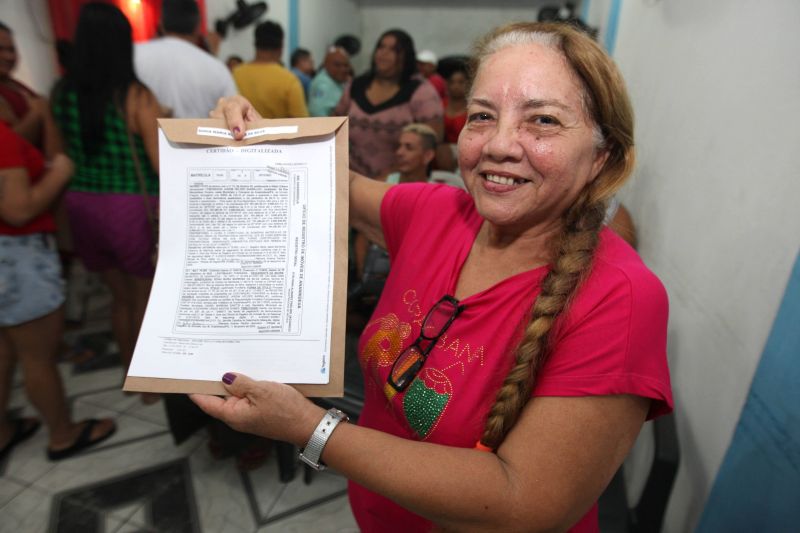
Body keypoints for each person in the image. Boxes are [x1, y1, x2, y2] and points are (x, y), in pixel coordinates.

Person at [198, 21, 672, 532]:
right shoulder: (437, 213)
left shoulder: (621, 298)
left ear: (601, 157)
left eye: (543, 121)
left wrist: (310, 428)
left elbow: (522, 502)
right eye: (482, 116)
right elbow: (330, 180)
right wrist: (248, 129)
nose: (500, 145)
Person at [51, 2, 161, 394]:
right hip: (126, 207)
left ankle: (130, 375)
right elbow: (157, 162)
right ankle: (148, 385)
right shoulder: (134, 95)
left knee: (118, 300)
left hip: (82, 204)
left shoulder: (62, 94)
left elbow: (58, 154)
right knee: (143, 300)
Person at [0, 120, 117, 462]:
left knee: (6, 350)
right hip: (17, 256)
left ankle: (2, 432)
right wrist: (61, 172)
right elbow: (18, 209)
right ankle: (62, 434)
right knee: (38, 356)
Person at [332, 29, 443, 178]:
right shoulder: (357, 85)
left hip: (398, 182)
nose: (383, 53)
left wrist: (390, 175)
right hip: (351, 178)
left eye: (393, 50)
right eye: (381, 47)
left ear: (406, 57)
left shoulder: (421, 92)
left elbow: (432, 141)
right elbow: (334, 126)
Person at [134, 0, 237, 119]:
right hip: (196, 137)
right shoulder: (217, 69)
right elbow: (232, 114)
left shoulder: (133, 55)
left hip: (143, 136)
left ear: (161, 24)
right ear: (198, 28)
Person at [0, 21, 56, 154]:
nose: (9, 56)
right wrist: (37, 113)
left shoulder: (16, 86)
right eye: (0, 50)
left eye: (11, 49)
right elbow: (5, 148)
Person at [233, 21, 308, 119]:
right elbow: (301, 122)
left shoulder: (235, 73)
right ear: (281, 47)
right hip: (279, 134)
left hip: (241, 133)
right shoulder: (289, 80)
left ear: (255, 44)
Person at [436, 59, 469, 171]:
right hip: (441, 152)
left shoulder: (472, 107)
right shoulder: (439, 104)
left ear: (468, 84)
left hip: (466, 150)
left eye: (460, 82)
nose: (456, 86)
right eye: (452, 82)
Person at [308, 46, 350, 117]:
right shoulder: (322, 85)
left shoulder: (336, 80)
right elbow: (317, 115)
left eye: (346, 65)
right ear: (325, 64)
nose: (343, 69)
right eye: (337, 65)